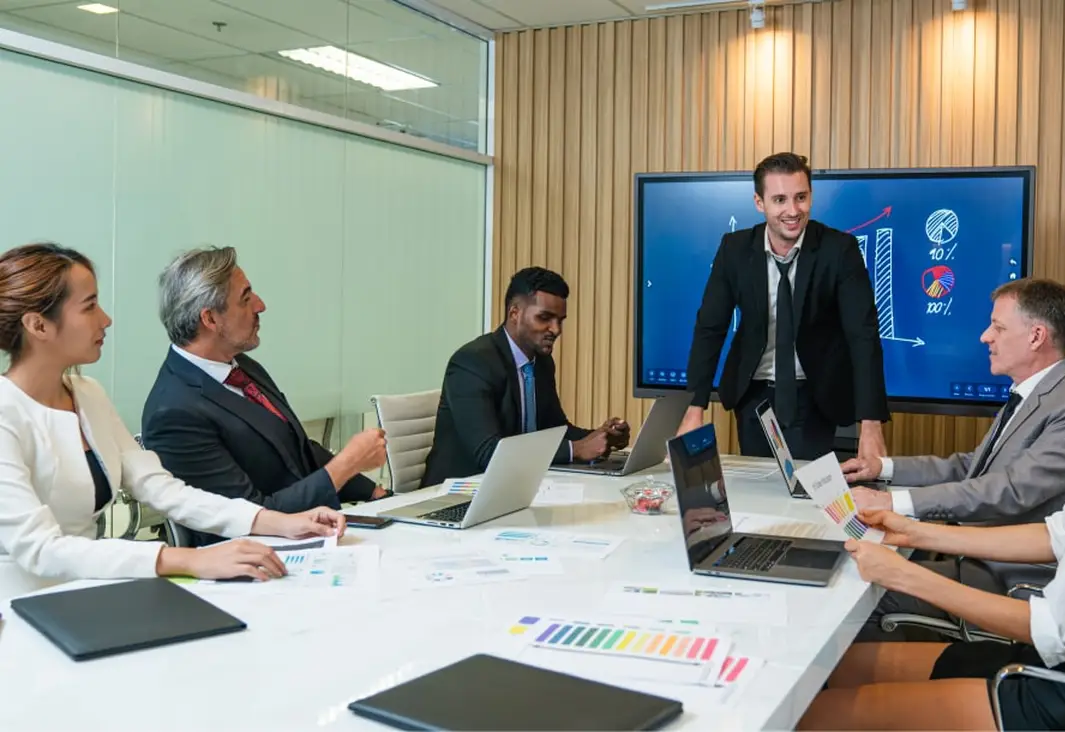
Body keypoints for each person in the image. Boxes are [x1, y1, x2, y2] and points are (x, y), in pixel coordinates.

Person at [798, 263, 1065, 730]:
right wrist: (913, 529)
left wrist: (904, 572)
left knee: (819, 716)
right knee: (835, 672)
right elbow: (1057, 534)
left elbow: (1057, 630)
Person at [0, 243, 345, 596]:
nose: (106, 319)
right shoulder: (5, 413)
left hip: (86, 590)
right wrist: (188, 560)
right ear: (38, 325)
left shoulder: (87, 393)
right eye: (89, 306)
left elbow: (161, 489)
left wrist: (278, 523)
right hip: (20, 606)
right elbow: (39, 549)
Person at [841, 279, 1065, 638]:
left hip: (1005, 580)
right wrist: (885, 468)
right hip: (967, 558)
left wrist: (892, 502)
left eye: (998, 327)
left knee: (849, 596)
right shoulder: (1032, 395)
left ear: (1036, 336)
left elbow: (1008, 489)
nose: (985, 337)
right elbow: (971, 467)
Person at [141, 247, 386, 546]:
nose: (260, 305)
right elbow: (252, 516)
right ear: (210, 319)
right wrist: (348, 463)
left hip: (311, 537)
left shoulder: (241, 366)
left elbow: (296, 448)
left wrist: (372, 493)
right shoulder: (174, 413)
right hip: (252, 563)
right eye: (245, 298)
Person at [678, 152, 889, 460]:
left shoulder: (839, 250)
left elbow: (863, 335)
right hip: (753, 394)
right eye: (780, 200)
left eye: (801, 197)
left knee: (807, 491)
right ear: (759, 202)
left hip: (815, 394)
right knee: (758, 488)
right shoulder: (734, 250)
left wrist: (870, 426)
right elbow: (710, 328)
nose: (793, 211)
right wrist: (694, 409)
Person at [422, 267, 630, 487]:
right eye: (545, 318)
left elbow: (554, 429)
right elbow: (489, 452)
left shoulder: (541, 362)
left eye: (560, 320)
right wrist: (576, 449)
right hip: (458, 491)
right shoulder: (472, 363)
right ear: (515, 313)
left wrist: (600, 437)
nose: (556, 329)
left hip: (513, 486)